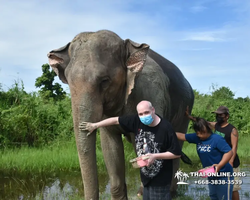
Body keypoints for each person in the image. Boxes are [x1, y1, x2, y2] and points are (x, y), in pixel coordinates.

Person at [79, 100, 182, 200]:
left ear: (153, 110)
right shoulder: (136, 121)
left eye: (146, 112)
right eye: (140, 114)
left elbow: (176, 153)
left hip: (161, 179)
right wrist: (95, 125)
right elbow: (115, 120)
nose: (143, 116)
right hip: (146, 178)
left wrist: (155, 156)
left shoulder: (166, 127)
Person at [187, 106, 241, 200]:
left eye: (221, 115)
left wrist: (230, 162)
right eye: (217, 115)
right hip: (221, 160)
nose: (218, 116)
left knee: (233, 188)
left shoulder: (232, 129)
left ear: (227, 116)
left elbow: (234, 147)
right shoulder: (216, 125)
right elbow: (203, 123)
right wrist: (189, 117)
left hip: (231, 161)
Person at [176, 117, 233, 200]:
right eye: (198, 133)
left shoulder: (217, 139)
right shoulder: (197, 138)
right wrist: (168, 131)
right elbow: (182, 136)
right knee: (213, 197)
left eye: (202, 133)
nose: (200, 135)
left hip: (223, 174)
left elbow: (229, 152)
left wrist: (219, 166)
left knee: (224, 198)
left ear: (208, 129)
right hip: (211, 174)